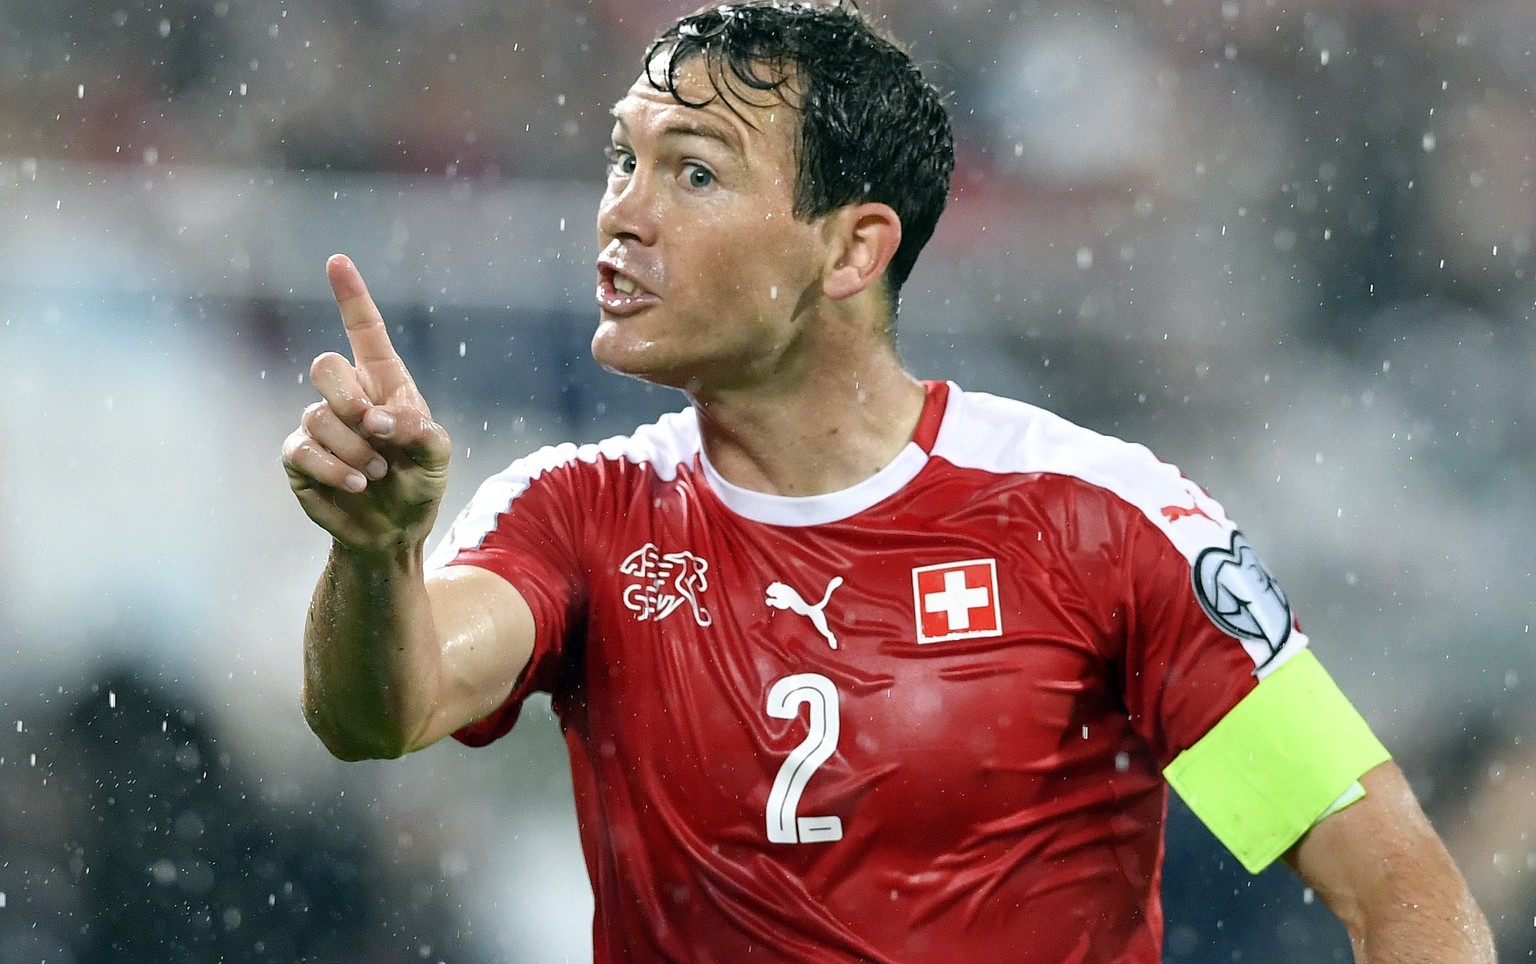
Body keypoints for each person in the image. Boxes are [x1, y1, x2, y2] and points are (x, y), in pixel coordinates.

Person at [282, 2, 1494, 960]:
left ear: (853, 248)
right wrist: (375, 550)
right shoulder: (580, 513)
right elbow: (378, 715)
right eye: (621, 160)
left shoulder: (1101, 522)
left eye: (692, 174)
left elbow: (1398, 888)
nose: (621, 215)